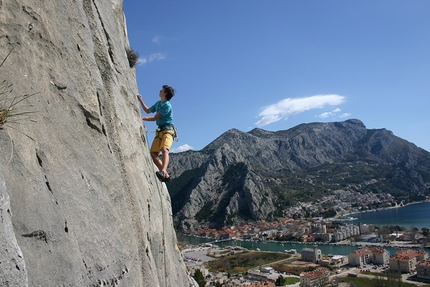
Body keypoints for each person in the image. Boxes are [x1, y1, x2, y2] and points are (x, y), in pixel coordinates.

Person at [137, 85, 176, 182]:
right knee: (153, 154)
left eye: (162, 90)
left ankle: (162, 171)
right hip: (160, 131)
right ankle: (165, 174)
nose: (160, 90)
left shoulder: (167, 105)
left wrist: (141, 118)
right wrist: (140, 100)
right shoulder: (159, 103)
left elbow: (155, 117)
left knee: (164, 149)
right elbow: (147, 110)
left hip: (168, 130)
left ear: (165, 93)